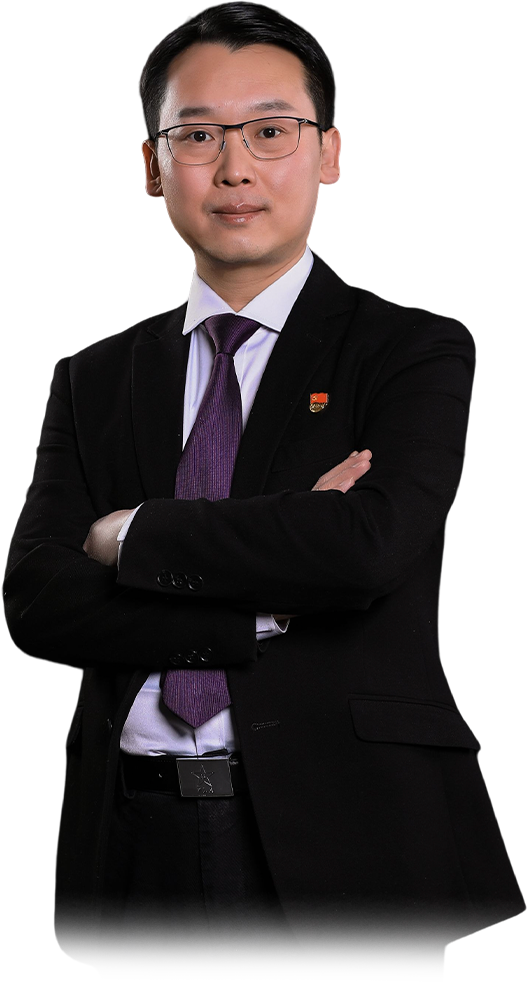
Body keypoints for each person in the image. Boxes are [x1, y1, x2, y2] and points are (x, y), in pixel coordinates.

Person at [4, 2, 525, 980]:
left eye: (270, 131)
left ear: (327, 157)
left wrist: (134, 534)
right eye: (198, 135)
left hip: (354, 852)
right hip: (129, 854)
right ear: (153, 169)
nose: (234, 167)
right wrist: (266, 603)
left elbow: (363, 548)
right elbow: (37, 600)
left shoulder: (410, 350)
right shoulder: (95, 377)